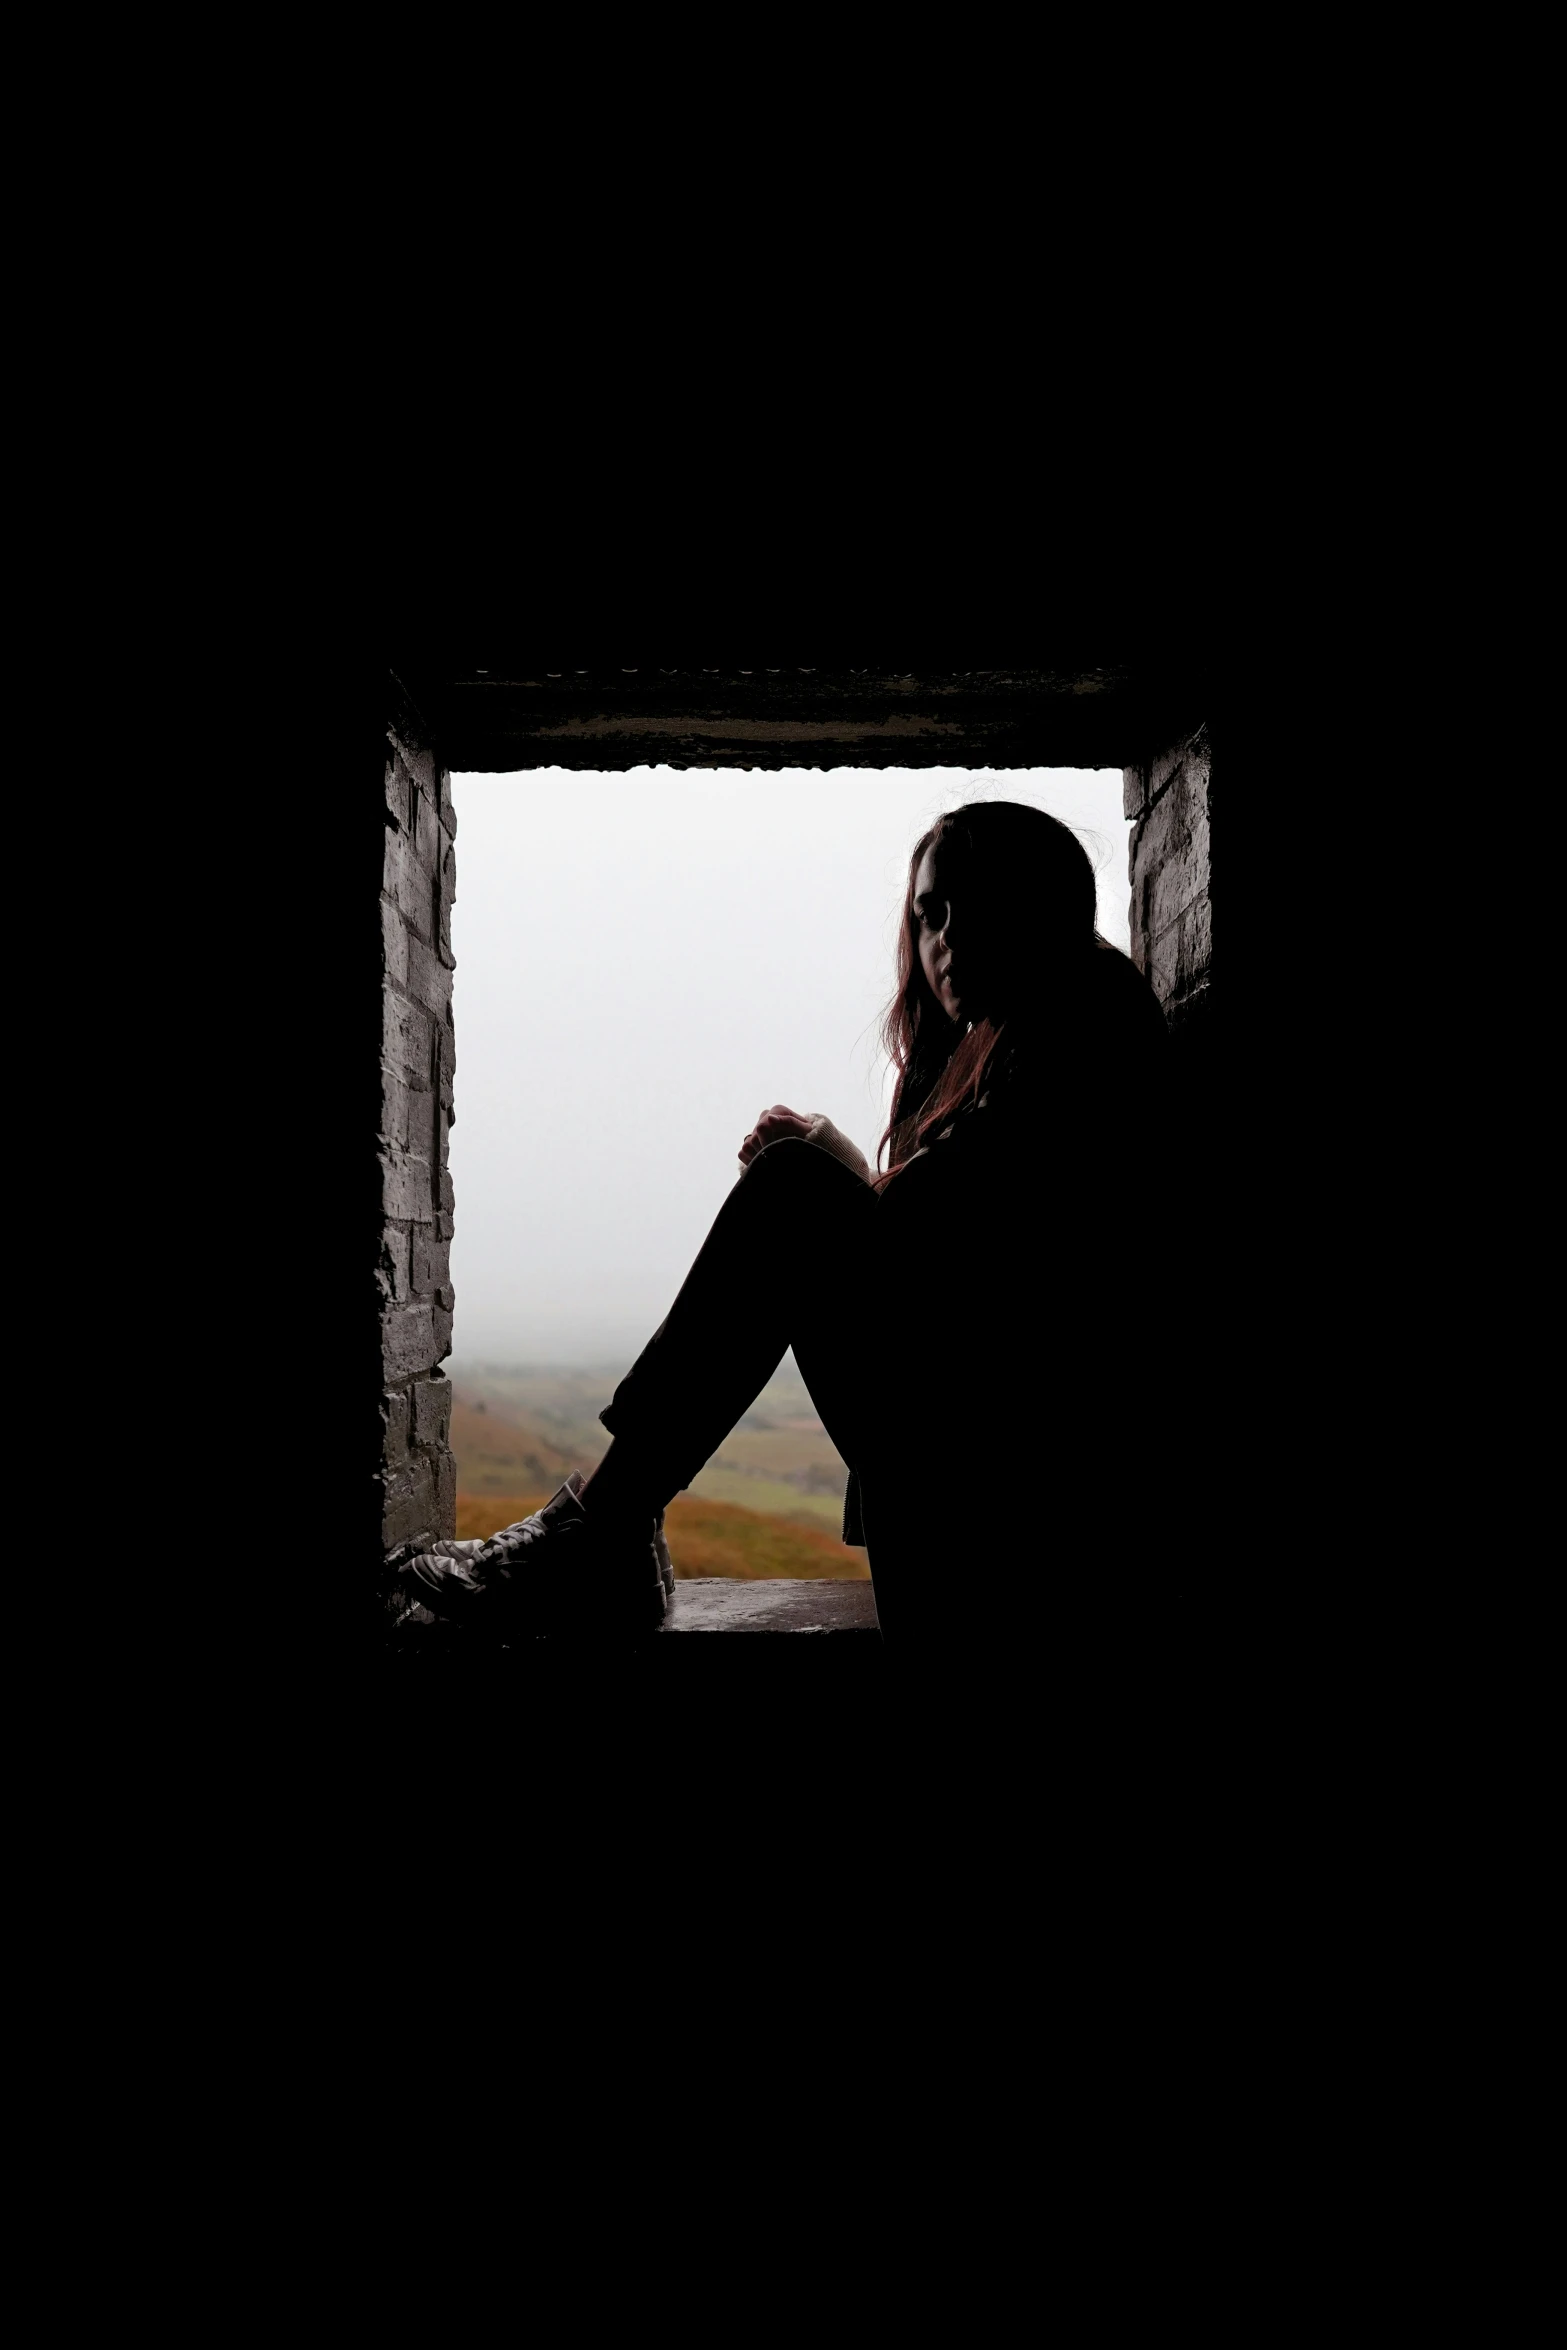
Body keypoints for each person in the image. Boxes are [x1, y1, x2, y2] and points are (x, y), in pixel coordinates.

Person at [393, 801, 1171, 1644]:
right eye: (924, 916)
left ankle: (600, 1535)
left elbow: (951, 1235)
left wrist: (823, 1168)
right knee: (795, 1187)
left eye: (962, 904)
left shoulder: (1089, 1015)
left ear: (1032, 900)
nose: (939, 939)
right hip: (990, 1468)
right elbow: (954, 1227)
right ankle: (604, 1533)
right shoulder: (1017, 1033)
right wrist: (840, 1161)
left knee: (791, 1194)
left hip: (1032, 1506)